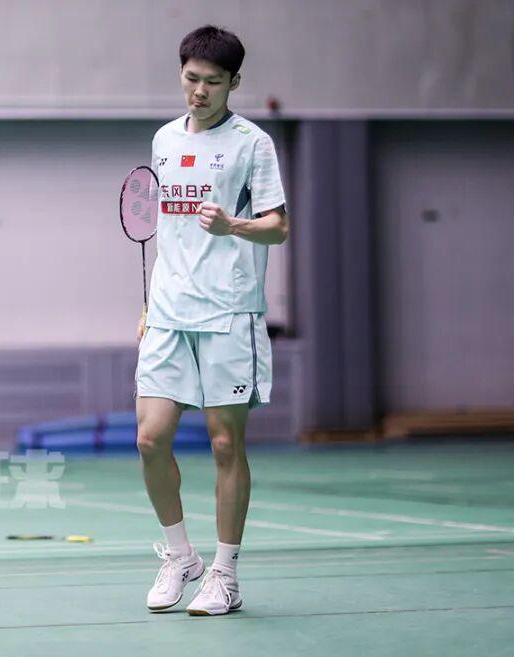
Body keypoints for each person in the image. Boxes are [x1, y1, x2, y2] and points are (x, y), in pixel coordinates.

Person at [137, 26, 289, 616]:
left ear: (234, 83)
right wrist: (149, 305)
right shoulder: (164, 140)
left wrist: (234, 226)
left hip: (228, 311)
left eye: (213, 82)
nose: (199, 91)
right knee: (150, 439)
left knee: (225, 442)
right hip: (168, 312)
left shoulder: (253, 144)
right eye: (191, 78)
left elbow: (278, 226)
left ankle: (225, 573)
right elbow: (167, 230)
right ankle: (181, 556)